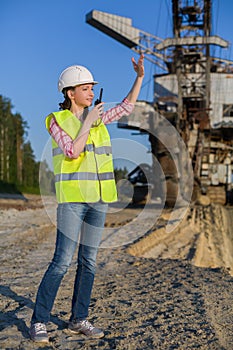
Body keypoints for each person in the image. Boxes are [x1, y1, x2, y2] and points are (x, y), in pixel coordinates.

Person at [29, 54, 145, 343]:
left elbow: (127, 106)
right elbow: (71, 151)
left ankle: (78, 320)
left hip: (99, 200)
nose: (92, 92)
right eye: (86, 88)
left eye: (93, 88)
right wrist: (88, 121)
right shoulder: (55, 120)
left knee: (89, 262)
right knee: (61, 261)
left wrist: (140, 76)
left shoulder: (99, 118)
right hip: (72, 200)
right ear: (70, 93)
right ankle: (39, 321)